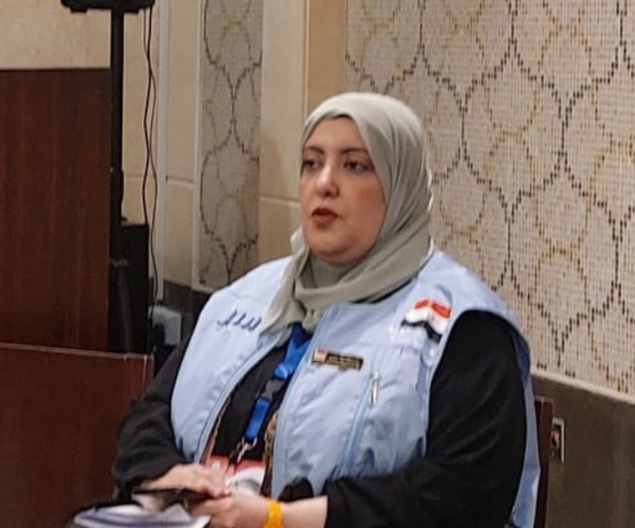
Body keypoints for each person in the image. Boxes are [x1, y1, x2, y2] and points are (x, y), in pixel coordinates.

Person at [111, 92, 539, 528]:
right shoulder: (246, 296)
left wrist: (280, 519)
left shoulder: (463, 327)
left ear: (401, 185)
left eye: (355, 165)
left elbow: (464, 496)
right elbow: (150, 415)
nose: (324, 183)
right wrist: (168, 474)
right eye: (312, 163)